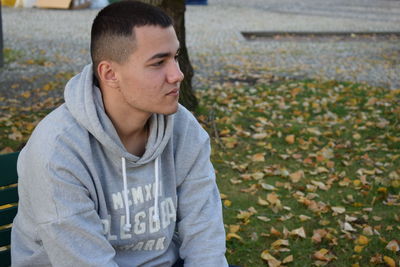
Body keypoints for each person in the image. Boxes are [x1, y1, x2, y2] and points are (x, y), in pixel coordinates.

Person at [11, 1, 228, 266]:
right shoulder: (58, 150)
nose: (177, 74)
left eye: (175, 57)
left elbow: (205, 236)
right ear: (110, 73)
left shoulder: (183, 127)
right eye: (158, 62)